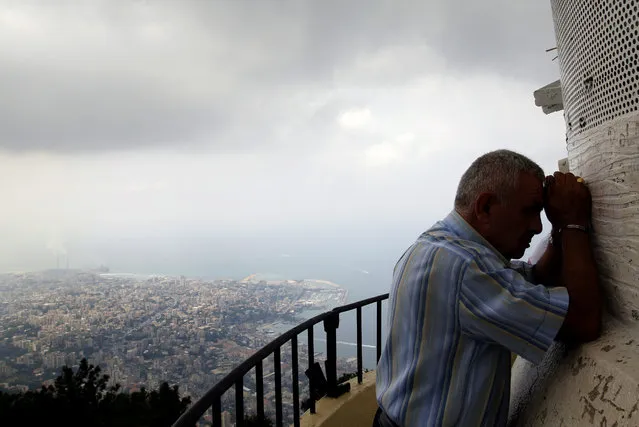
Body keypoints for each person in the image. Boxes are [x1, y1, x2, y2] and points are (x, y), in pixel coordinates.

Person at [373, 149, 601, 427]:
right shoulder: (465, 268)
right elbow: (583, 320)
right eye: (529, 211)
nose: (537, 225)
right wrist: (573, 222)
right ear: (485, 207)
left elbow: (534, 277)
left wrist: (559, 229)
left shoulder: (436, 246)